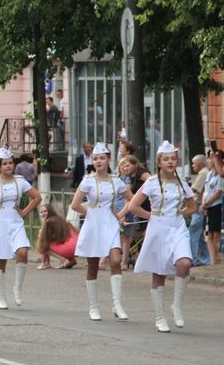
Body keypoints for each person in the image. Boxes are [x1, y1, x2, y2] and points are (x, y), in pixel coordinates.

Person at [122, 141, 195, 333]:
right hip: (158, 228)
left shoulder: (182, 183)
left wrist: (180, 214)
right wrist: (152, 216)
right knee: (159, 271)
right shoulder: (152, 182)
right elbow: (133, 206)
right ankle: (160, 317)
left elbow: (192, 206)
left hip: (177, 227)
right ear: (159, 162)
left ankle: (177, 305)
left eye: (173, 158)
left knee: (185, 263)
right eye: (166, 159)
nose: (170, 162)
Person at [71, 143, 132, 321]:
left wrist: (120, 215)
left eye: (102, 158)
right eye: (96, 159)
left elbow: (132, 200)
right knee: (93, 265)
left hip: (110, 223)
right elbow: (75, 205)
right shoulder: (88, 181)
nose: (99, 161)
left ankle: (117, 304)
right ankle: (93, 307)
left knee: (115, 260)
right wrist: (89, 212)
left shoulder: (116, 181)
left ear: (108, 159)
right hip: (93, 224)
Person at [0, 148, 41, 309]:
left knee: (22, 251)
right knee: (0, 261)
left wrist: (24, 212)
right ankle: (1, 297)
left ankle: (17, 289)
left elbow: (37, 197)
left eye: (10, 163)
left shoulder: (20, 181)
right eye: (4, 163)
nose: (8, 166)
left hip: (15, 221)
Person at [35, 204, 78, 269]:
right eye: (41, 212)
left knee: (42, 244)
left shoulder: (48, 222)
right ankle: (70, 260)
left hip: (69, 248)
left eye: (45, 211)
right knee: (47, 241)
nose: (43, 213)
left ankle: (46, 263)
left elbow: (43, 239)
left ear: (50, 211)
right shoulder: (59, 219)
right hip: (77, 248)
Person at [202, 150, 224, 265]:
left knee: (216, 234)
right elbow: (206, 190)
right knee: (209, 234)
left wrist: (206, 203)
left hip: (217, 206)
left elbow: (218, 192)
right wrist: (204, 204)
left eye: (211, 158)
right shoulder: (210, 174)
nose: (208, 161)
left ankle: (218, 259)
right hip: (208, 206)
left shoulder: (221, 175)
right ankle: (212, 261)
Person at [188, 154, 211, 266]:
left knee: (193, 231)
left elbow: (194, 191)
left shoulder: (203, 173)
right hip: (201, 207)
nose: (192, 166)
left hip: (198, 207)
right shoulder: (206, 172)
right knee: (200, 235)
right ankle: (205, 259)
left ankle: (192, 258)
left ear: (201, 164)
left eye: (194, 163)